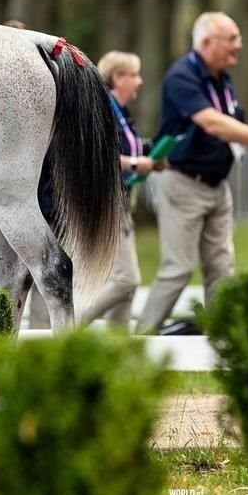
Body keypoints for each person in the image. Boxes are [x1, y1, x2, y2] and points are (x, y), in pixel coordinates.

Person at [136, 12, 248, 334]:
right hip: (182, 183)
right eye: (233, 39)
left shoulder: (221, 79)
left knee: (222, 268)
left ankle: (222, 340)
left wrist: (246, 138)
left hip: (217, 186)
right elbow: (211, 122)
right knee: (178, 269)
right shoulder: (181, 76)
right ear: (207, 42)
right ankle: (140, 341)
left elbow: (230, 125)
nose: (239, 45)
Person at [79, 51, 161, 328]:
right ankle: (70, 325)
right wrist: (137, 164)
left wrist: (152, 156)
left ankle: (119, 352)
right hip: (106, 202)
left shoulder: (122, 113)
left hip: (123, 201)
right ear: (118, 78)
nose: (139, 82)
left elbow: (129, 150)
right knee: (126, 280)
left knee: (127, 289)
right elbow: (96, 155)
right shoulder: (102, 109)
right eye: (134, 75)